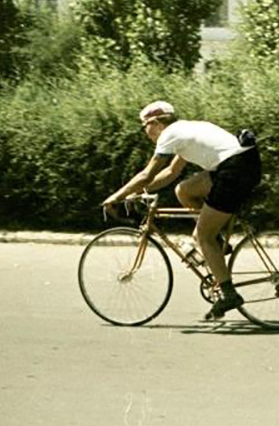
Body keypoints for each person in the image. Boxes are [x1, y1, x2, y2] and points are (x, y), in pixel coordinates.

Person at [102, 101, 262, 321]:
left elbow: (146, 174)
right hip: (239, 165)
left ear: (155, 122)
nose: (145, 133)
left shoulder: (170, 134)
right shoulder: (183, 131)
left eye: (144, 127)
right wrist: (141, 191)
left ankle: (229, 293)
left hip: (234, 170)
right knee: (184, 190)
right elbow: (170, 172)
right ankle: (216, 241)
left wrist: (116, 197)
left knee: (201, 236)